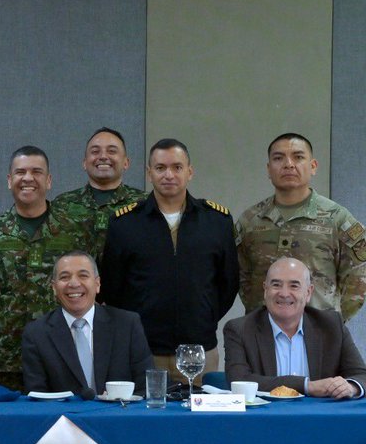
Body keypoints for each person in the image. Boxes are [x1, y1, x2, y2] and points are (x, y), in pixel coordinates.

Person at [100, 138, 238, 381]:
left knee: (199, 417)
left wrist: (202, 314)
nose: (169, 175)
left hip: (199, 350)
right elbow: (112, 289)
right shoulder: (125, 223)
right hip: (143, 350)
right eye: (160, 168)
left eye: (177, 167)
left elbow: (228, 283)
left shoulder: (216, 221)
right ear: (149, 173)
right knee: (145, 416)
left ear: (190, 172)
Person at [0, 145, 95, 392]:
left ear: (49, 180)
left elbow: (90, 285)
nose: (28, 178)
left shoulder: (73, 232)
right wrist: (4, 318)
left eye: (36, 171)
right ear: (9, 180)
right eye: (20, 172)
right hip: (5, 358)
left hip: (61, 353)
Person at [235, 133, 366, 320]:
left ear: (313, 166)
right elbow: (241, 276)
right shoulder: (250, 221)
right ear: (269, 169)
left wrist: (330, 319)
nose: (288, 164)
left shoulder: (337, 218)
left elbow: (358, 277)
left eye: (298, 157)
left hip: (320, 334)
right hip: (262, 333)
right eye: (279, 158)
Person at [224, 257, 366, 399]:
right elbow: (238, 381)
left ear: (308, 293)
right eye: (276, 285)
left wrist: (350, 387)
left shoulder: (331, 325)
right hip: (265, 417)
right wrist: (307, 386)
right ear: (265, 290)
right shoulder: (239, 329)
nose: (284, 293)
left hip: (319, 418)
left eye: (294, 286)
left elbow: (361, 375)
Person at [21, 250, 153, 396]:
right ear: (54, 287)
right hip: (62, 417)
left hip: (118, 415)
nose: (74, 283)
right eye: (65, 277)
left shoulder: (127, 325)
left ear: (97, 284)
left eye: (83, 276)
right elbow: (37, 397)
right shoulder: (36, 333)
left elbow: (145, 388)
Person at [51, 127, 146, 258]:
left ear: (126, 163)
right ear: (84, 163)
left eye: (112, 151)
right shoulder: (62, 204)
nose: (103, 157)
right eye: (95, 151)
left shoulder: (144, 203)